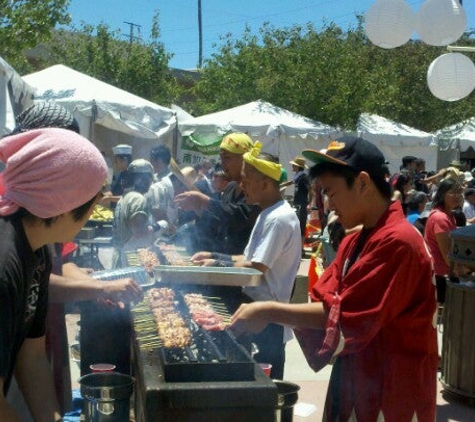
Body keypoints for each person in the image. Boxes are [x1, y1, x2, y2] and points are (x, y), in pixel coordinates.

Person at [230, 136, 438, 421]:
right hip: (357, 383)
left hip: (392, 396)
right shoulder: (357, 240)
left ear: (363, 183)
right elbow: (325, 298)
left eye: (331, 191)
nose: (326, 204)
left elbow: (345, 315)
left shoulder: (399, 241)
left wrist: (267, 311)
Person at [0, 127, 109, 421]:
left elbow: (31, 354)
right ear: (63, 204)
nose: (93, 210)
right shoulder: (4, 262)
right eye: (91, 201)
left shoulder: (39, 251)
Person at [192, 143, 301, 379]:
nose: (241, 186)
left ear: (265, 184)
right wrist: (214, 256)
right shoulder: (266, 213)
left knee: (264, 390)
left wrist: (218, 267)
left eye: (246, 180)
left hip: (269, 320)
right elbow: (249, 257)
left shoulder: (278, 219)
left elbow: (256, 268)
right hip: (257, 314)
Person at [174, 133, 260, 254]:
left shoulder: (256, 190)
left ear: (244, 159)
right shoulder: (231, 187)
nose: (222, 163)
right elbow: (220, 220)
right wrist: (198, 209)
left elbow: (239, 217)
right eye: (221, 158)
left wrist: (204, 201)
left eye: (227, 158)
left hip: (241, 259)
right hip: (223, 257)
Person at [425, 178, 463, 304]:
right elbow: (448, 256)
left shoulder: (450, 215)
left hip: (447, 273)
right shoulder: (440, 218)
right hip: (441, 277)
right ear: (442, 194)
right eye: (453, 192)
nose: (457, 196)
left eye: (459, 192)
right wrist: (466, 270)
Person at [111, 159, 154, 268]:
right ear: (144, 179)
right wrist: (159, 226)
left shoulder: (125, 197)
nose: (150, 182)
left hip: (119, 256)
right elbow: (139, 232)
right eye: (149, 178)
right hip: (130, 260)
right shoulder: (138, 199)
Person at [289, 156, 310, 245]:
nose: (292, 167)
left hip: (302, 204)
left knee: (301, 226)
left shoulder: (303, 176)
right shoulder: (297, 176)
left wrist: (310, 203)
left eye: (294, 165)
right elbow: (291, 182)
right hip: (297, 204)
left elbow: (310, 189)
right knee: (296, 225)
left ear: (298, 166)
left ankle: (301, 248)